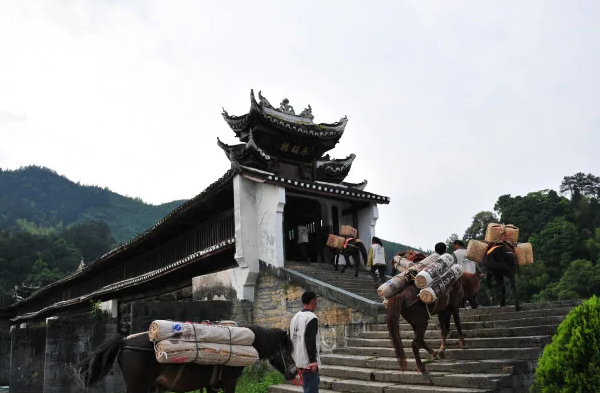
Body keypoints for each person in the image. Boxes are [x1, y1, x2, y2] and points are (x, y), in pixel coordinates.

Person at [290, 291, 320, 393]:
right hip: (308, 362)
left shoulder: (295, 317)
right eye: (316, 301)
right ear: (313, 301)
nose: (317, 304)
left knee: (310, 387)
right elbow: (310, 340)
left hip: (297, 359)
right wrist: (312, 361)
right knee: (311, 389)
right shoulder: (311, 317)